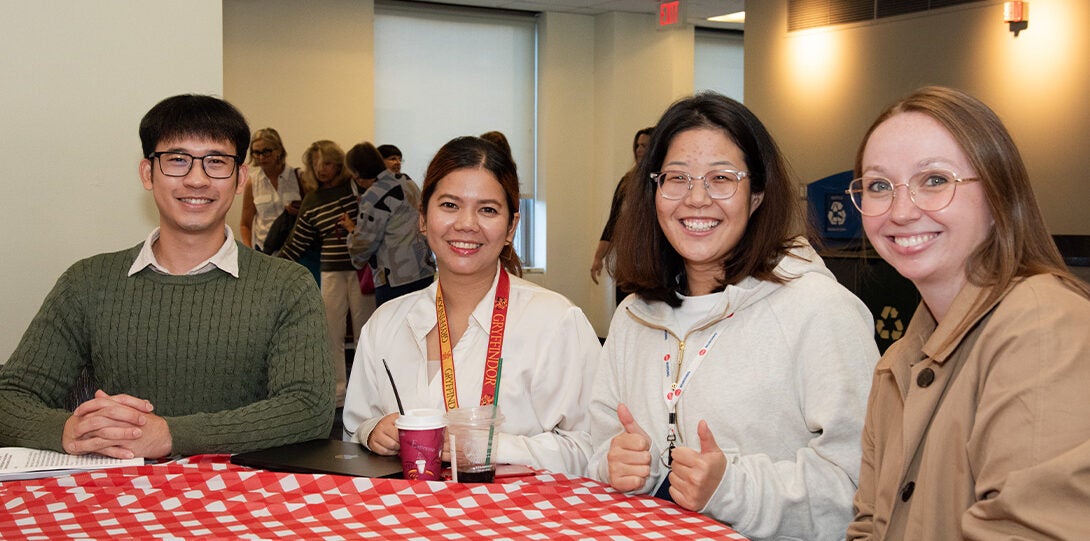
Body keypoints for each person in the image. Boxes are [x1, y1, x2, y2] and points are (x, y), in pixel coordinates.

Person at [587, 92, 879, 540]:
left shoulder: (819, 311)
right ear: (654, 191)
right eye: (677, 178)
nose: (697, 199)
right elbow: (597, 442)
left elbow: (861, 488)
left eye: (721, 178)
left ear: (757, 194)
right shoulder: (634, 316)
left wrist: (733, 489)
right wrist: (612, 460)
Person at [0, 94, 333, 459]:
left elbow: (308, 410)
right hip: (116, 498)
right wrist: (69, 431)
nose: (196, 179)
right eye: (177, 160)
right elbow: (11, 396)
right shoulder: (88, 282)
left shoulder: (287, 285)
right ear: (148, 173)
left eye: (216, 162)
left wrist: (171, 434)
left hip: (244, 502)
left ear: (239, 179)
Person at [845, 86, 1090, 540]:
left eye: (934, 180)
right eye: (879, 186)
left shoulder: (1044, 327)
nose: (900, 211)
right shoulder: (895, 363)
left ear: (999, 197)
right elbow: (868, 526)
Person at [342, 136, 601, 476]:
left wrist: (487, 446)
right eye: (449, 205)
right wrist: (373, 431)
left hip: (518, 522)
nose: (466, 223)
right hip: (407, 521)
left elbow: (594, 450)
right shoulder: (385, 324)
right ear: (422, 218)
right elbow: (352, 434)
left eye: (488, 210)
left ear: (511, 227)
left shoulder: (556, 321)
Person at [279, 140, 373, 407]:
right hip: (331, 271)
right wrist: (272, 266)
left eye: (328, 163)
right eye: (316, 164)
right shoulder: (312, 200)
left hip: (359, 270)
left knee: (365, 333)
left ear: (339, 165)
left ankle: (367, 393)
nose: (321, 169)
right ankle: (337, 393)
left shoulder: (354, 191)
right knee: (330, 332)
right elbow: (298, 241)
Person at [344, 142, 435, 306]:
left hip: (396, 277)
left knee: (392, 329)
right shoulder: (406, 181)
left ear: (357, 174)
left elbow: (364, 243)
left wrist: (352, 237)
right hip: (423, 267)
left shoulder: (373, 195)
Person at [590, 126, 654, 303]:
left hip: (653, 261)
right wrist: (598, 257)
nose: (639, 150)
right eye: (638, 145)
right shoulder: (627, 181)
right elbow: (613, 222)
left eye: (645, 146)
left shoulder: (663, 181)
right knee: (625, 305)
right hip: (627, 260)